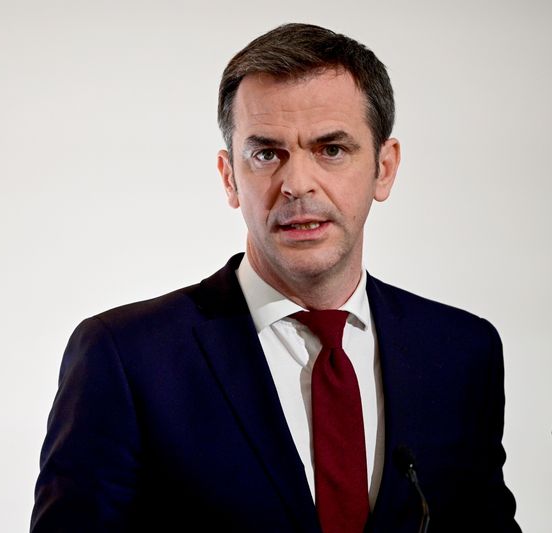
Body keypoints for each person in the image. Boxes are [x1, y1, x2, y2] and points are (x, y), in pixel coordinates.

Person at [31, 23, 520, 533]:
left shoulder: (463, 352)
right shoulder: (125, 357)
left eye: (331, 149)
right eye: (267, 154)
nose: (297, 184)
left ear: (384, 168)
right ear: (229, 178)